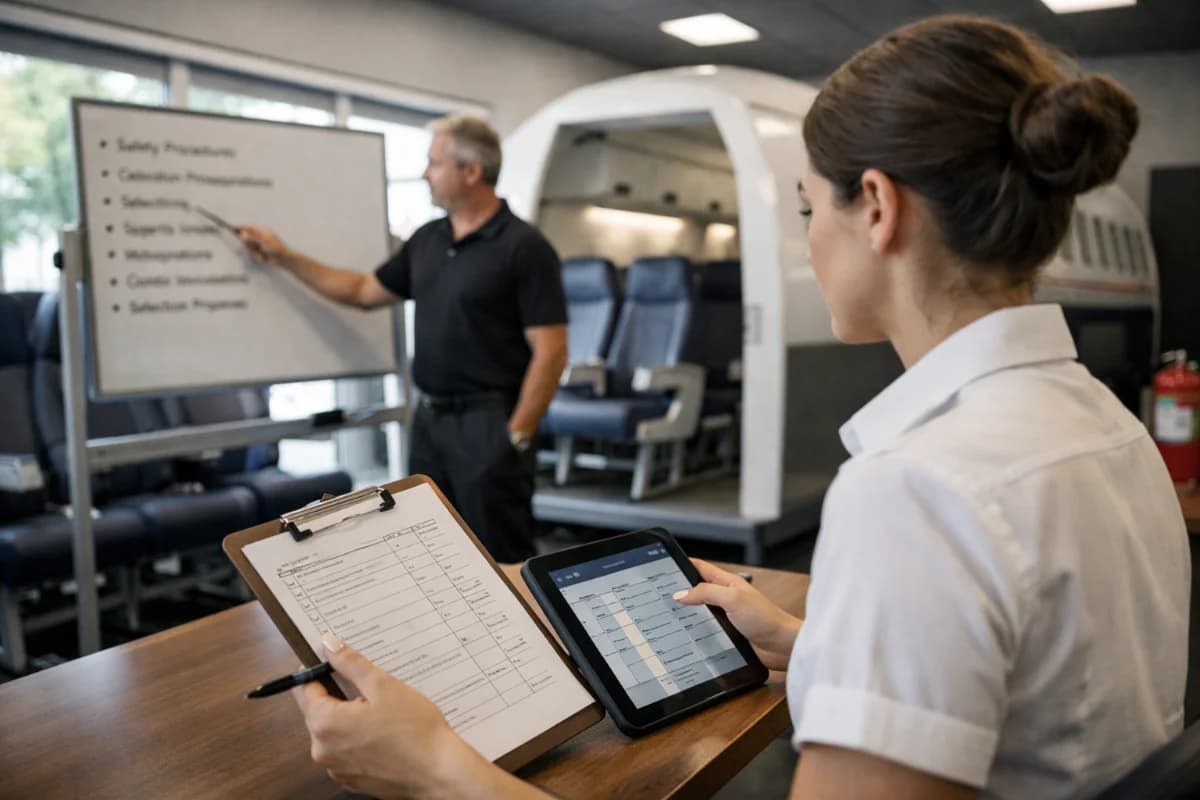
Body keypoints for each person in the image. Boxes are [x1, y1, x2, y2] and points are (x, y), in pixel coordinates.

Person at [289, 15, 1189, 799]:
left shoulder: (921, 490)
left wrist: (436, 769)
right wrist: (812, 643)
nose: (808, 234)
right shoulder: (1110, 426)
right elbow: (1031, 690)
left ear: (875, 208)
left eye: (808, 207)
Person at [239, 115, 568, 563]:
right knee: (433, 549)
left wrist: (516, 436)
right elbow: (361, 292)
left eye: (434, 163)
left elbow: (550, 353)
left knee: (501, 556)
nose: (424, 173)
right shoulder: (428, 240)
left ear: (471, 172)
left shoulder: (524, 247)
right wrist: (284, 257)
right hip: (430, 421)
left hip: (489, 422)